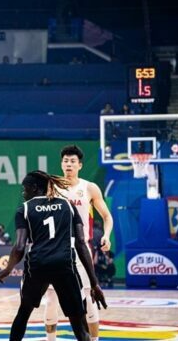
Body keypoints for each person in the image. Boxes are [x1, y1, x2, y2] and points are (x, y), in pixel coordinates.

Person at [0, 171, 107, 341]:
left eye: (25, 189)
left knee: (23, 313)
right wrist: (94, 283)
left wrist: (8, 268)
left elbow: (19, 247)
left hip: (37, 265)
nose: (23, 193)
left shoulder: (24, 209)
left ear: (34, 188)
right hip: (64, 265)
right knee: (78, 323)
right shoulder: (68, 205)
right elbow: (80, 243)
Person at [43, 145, 114, 341]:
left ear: (80, 165)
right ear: (61, 164)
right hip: (55, 249)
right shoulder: (52, 187)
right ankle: (51, 339)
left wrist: (106, 235)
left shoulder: (89, 188)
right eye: (65, 161)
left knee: (89, 299)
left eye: (73, 161)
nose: (68, 164)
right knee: (51, 299)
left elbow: (107, 217)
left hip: (81, 248)